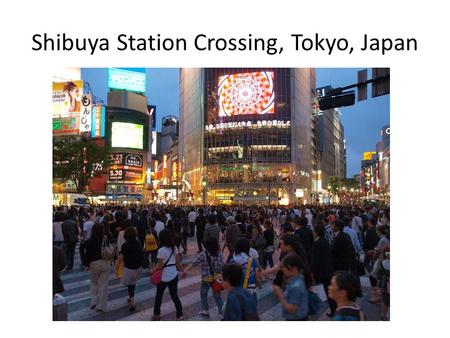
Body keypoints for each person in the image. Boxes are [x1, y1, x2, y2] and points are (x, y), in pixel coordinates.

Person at [182, 237, 224, 317]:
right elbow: (222, 266)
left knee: (203, 294)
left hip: (206, 279)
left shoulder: (203, 254)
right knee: (217, 296)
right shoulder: (220, 254)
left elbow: (195, 263)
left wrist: (186, 269)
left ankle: (205, 310)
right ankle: (221, 313)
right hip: (217, 279)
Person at [152, 229, 184, 320]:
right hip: (174, 275)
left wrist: (152, 270)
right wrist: (183, 271)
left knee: (159, 295)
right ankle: (180, 314)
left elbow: (160, 265)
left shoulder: (161, 250)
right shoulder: (175, 248)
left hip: (163, 277)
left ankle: (157, 314)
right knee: (174, 296)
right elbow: (178, 263)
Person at [272, 253, 312, 321]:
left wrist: (280, 293)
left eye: (285, 267)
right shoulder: (300, 278)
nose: (283, 269)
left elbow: (291, 309)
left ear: (293, 269)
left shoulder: (296, 285)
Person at [82, 223, 111, 312]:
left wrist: (86, 265)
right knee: (103, 285)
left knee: (93, 282)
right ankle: (102, 305)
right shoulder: (105, 240)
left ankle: (94, 300)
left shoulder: (89, 241)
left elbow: (87, 254)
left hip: (94, 264)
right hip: (105, 263)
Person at [310, 224, 335, 316]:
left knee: (327, 290)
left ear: (316, 233)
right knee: (328, 289)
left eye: (313, 231)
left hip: (323, 271)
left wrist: (312, 271)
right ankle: (333, 309)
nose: (312, 233)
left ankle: (333, 310)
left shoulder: (318, 243)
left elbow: (315, 260)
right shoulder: (324, 241)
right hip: (328, 269)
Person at [120, 226, 143, 312]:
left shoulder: (124, 246)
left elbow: (122, 256)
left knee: (130, 285)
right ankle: (131, 297)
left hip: (129, 267)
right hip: (138, 267)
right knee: (132, 283)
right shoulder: (138, 243)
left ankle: (132, 302)